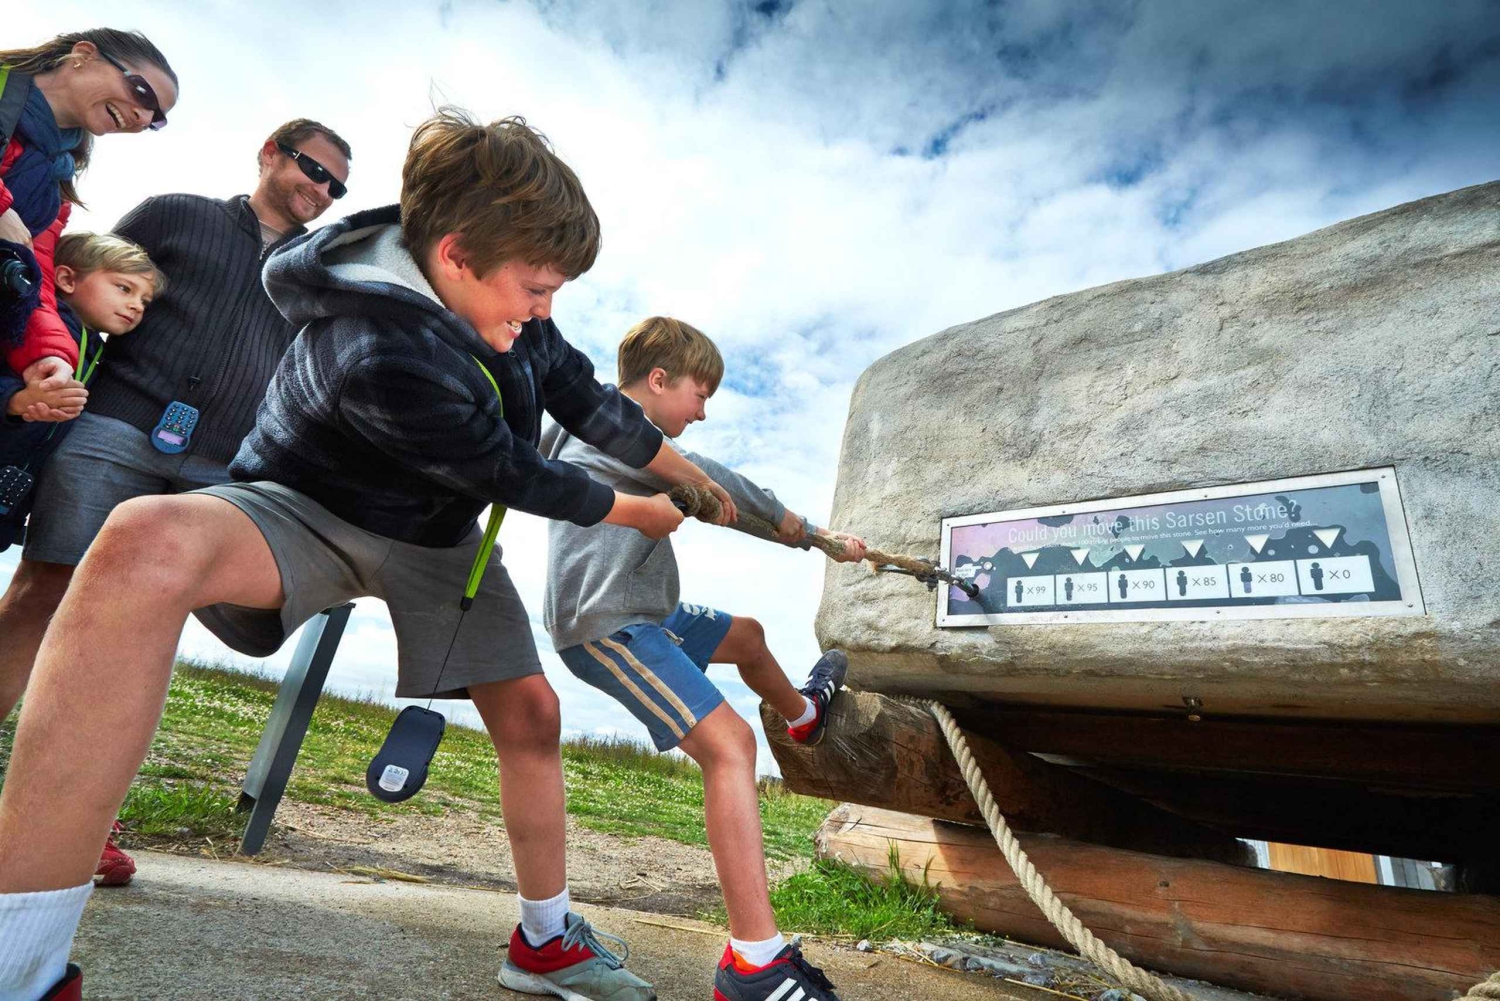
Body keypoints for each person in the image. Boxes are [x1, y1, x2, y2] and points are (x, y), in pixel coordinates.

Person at [0, 108, 738, 1001]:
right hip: (306, 505)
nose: (544, 309)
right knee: (141, 541)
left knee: (532, 712)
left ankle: (546, 941)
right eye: (536, 288)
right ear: (456, 255)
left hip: (436, 534)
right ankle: (20, 964)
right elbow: (510, 470)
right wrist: (639, 510)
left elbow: (588, 400)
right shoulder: (374, 343)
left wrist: (690, 477)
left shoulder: (513, 307)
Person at [542, 316, 868, 1001]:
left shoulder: (585, 427)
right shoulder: (620, 431)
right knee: (730, 745)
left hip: (647, 611)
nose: (703, 410)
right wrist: (811, 533)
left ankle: (804, 716)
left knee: (747, 636)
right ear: (659, 381)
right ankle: (754, 962)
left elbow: (714, 501)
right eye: (700, 392)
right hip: (607, 625)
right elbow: (725, 487)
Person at [0, 29, 177, 388]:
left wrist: (48, 356)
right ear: (83, 55)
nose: (143, 117)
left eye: (155, 118)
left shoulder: (57, 184)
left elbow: (34, 278)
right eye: (142, 93)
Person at [1, 231, 163, 552]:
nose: (136, 306)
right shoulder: (28, 322)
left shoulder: (95, 349)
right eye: (124, 288)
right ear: (67, 279)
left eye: (144, 301)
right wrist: (17, 401)